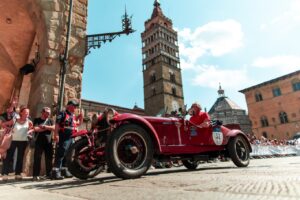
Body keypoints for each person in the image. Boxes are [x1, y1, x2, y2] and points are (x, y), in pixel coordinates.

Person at [51, 100, 82, 180]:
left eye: (75, 106)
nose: (75, 107)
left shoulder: (73, 115)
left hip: (71, 137)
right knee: (61, 153)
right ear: (68, 105)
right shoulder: (63, 113)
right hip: (64, 136)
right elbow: (57, 124)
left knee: (67, 154)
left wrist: (81, 118)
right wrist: (56, 134)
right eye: (73, 105)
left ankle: (64, 170)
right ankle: (55, 172)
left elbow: (78, 124)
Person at [1, 107, 33, 181]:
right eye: (25, 112)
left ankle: (18, 174)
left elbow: (32, 128)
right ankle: (5, 174)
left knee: (20, 157)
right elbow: (3, 124)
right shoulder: (15, 120)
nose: (27, 114)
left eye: (28, 113)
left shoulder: (29, 121)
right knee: (9, 156)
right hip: (13, 140)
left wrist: (29, 132)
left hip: (23, 141)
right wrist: (9, 129)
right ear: (21, 113)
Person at [32, 107, 55, 181]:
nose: (49, 114)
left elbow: (54, 128)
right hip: (39, 142)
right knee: (37, 158)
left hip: (48, 142)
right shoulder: (37, 120)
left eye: (49, 113)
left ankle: (49, 174)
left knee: (49, 158)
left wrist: (44, 127)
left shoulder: (51, 120)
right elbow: (36, 129)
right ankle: (35, 175)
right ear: (43, 112)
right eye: (47, 112)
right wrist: (48, 128)